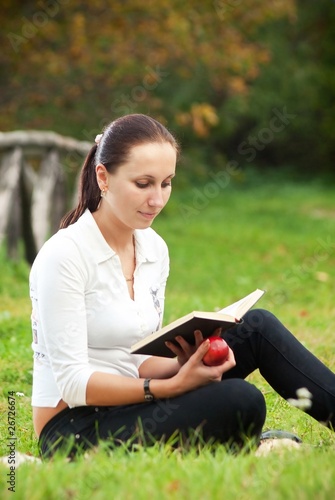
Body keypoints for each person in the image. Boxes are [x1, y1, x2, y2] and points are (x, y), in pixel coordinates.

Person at [30, 114, 335, 459]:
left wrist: (186, 363)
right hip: (77, 427)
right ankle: (239, 438)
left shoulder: (153, 249)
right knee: (241, 399)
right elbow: (73, 384)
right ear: (104, 177)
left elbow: (136, 358)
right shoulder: (64, 256)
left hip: (140, 401)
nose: (157, 200)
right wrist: (171, 386)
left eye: (166, 183)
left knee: (256, 326)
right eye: (143, 184)